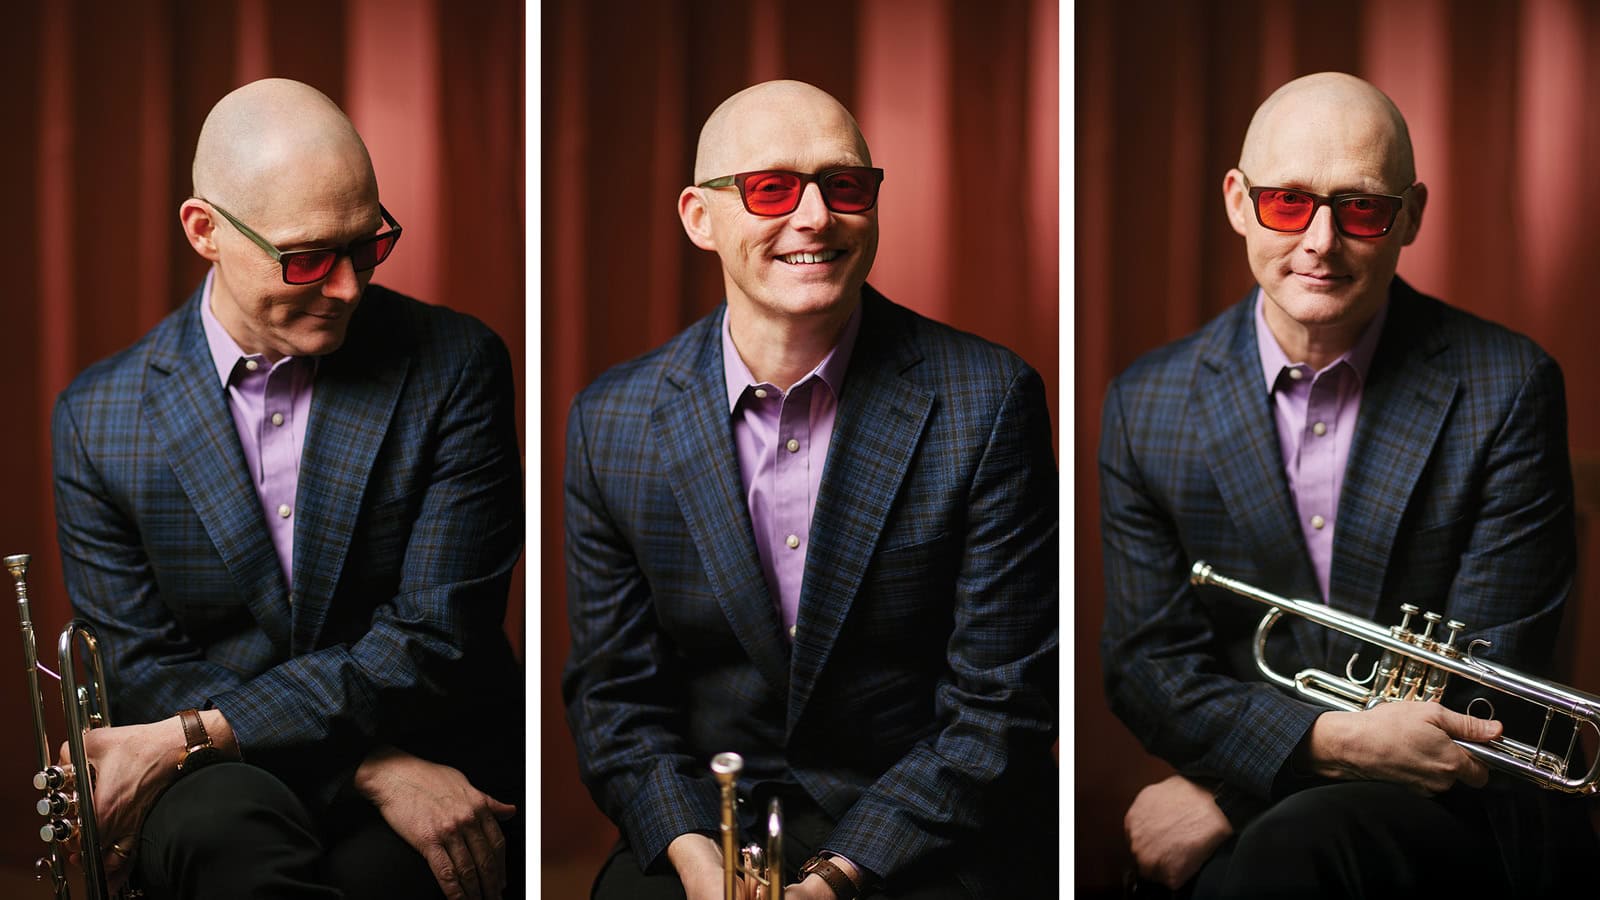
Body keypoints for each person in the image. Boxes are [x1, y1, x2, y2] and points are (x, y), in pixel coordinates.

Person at [1099, 71, 1598, 898]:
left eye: (1361, 208)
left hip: (1461, 812)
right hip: (1270, 808)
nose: (1321, 242)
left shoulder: (1508, 385)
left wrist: (1244, 789)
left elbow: (1490, 678)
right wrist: (1322, 748)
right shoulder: (1146, 403)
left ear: (1411, 215)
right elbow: (1148, 667)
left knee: (1278, 858)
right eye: (1289, 203)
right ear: (1236, 201)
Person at [561, 79, 1058, 900]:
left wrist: (834, 881)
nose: (816, 216)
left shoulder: (989, 398)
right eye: (771, 189)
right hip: (713, 826)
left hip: (928, 828)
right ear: (698, 217)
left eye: (845, 186)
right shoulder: (610, 421)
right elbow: (616, 700)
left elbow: (999, 705)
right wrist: (696, 860)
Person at [50, 78, 524, 900]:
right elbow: (140, 669)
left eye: (367, 244)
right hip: (227, 782)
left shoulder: (456, 364)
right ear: (205, 231)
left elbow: (437, 637)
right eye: (306, 258)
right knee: (225, 843)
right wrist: (363, 768)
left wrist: (196, 736)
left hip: (435, 747)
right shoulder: (97, 417)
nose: (347, 286)